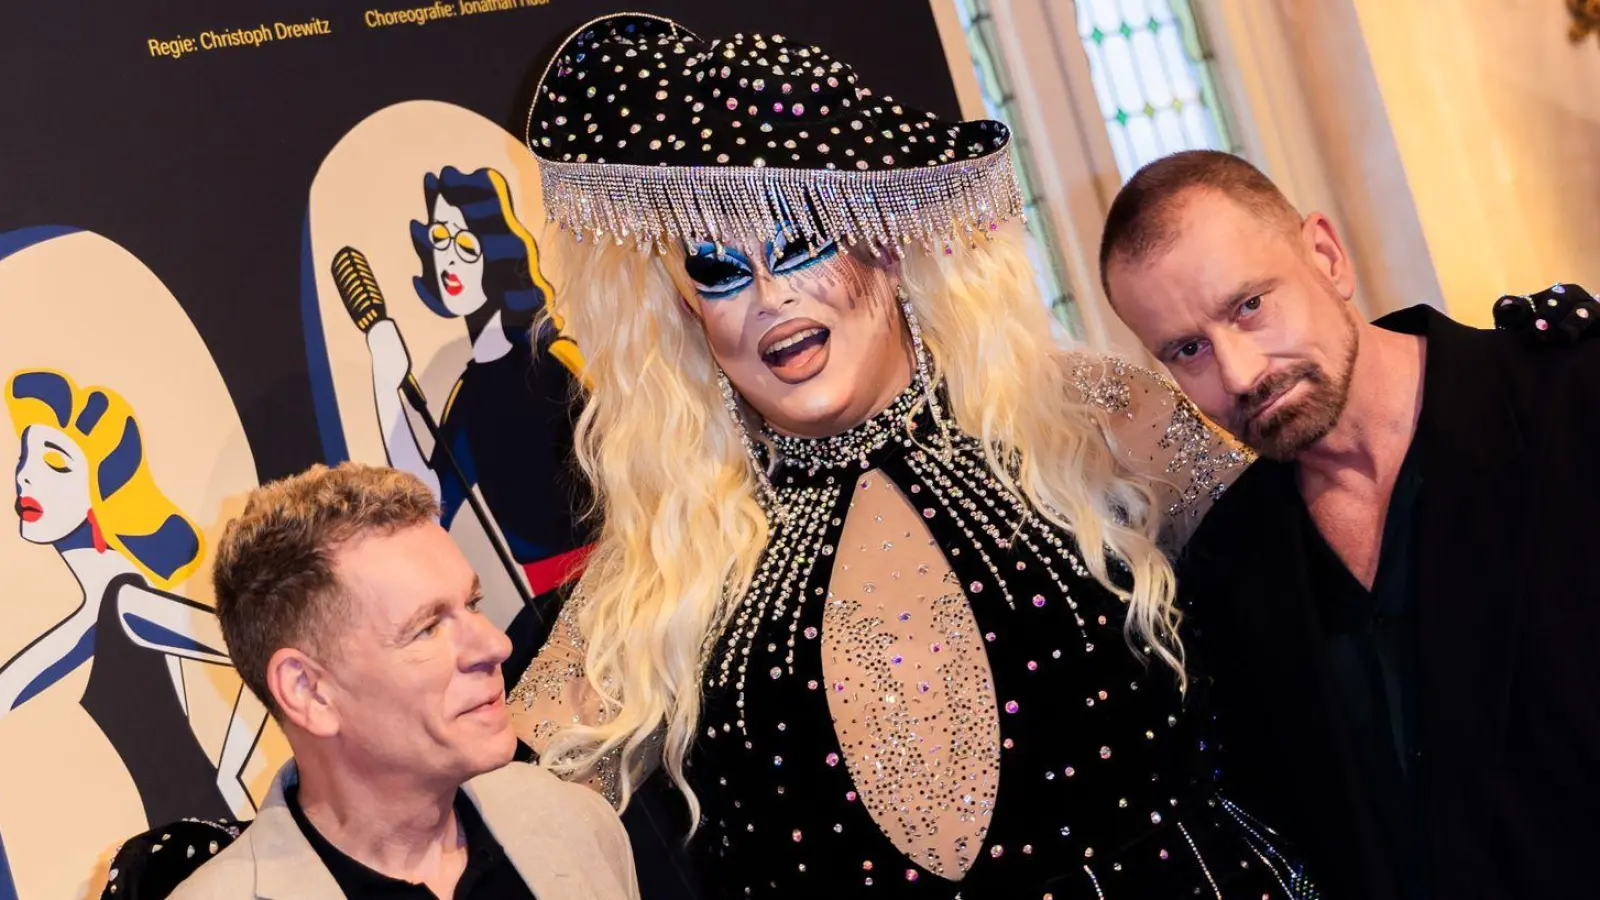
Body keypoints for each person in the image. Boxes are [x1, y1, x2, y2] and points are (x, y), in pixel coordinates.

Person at [507, 14, 1317, 899]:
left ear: (884, 243)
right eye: (717, 269)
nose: (770, 298)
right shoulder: (677, 549)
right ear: (687, 310)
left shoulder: (1085, 415)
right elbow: (505, 789)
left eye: (798, 241)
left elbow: (1311, 586)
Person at [1099, 149, 1600, 900]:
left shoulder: (1569, 396)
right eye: (1188, 350)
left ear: (1327, 257)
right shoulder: (1225, 571)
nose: (1239, 374)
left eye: (1249, 306)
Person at [169, 462, 639, 900]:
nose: (496, 645)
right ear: (308, 691)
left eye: (471, 604)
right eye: (427, 627)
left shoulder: (575, 821)